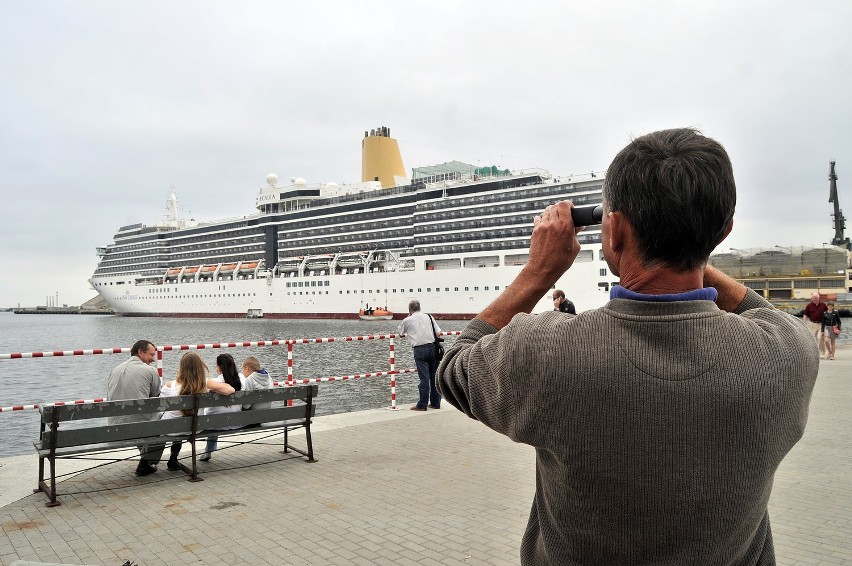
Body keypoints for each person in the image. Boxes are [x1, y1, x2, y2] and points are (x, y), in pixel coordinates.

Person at [436, 128, 819, 564]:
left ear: (612, 231)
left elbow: (454, 367)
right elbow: (764, 314)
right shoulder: (786, 354)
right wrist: (690, 243)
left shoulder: (547, 350)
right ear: (723, 231)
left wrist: (539, 271)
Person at [107, 340, 165, 477]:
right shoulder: (150, 370)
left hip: (114, 426)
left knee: (142, 418)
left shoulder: (115, 369)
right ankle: (145, 463)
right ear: (140, 352)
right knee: (166, 424)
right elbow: (156, 396)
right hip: (137, 426)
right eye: (151, 355)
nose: (153, 359)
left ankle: (146, 460)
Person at [398, 299, 442, 411]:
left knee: (424, 379)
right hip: (433, 348)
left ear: (410, 310)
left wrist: (408, 317)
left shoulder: (407, 320)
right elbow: (439, 332)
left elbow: (400, 333)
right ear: (419, 308)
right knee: (434, 377)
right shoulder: (429, 317)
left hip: (420, 350)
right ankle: (436, 403)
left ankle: (422, 405)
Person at [200, 353, 244, 462]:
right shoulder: (242, 379)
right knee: (217, 415)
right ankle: (208, 451)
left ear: (219, 367)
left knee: (213, 416)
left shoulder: (215, 383)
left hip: (215, 424)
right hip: (236, 422)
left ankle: (208, 452)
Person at [803, 293, 828, 357]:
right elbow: (805, 314)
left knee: (820, 338)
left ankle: (822, 353)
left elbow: (827, 313)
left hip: (821, 324)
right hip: (812, 324)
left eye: (816, 298)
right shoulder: (809, 305)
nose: (815, 299)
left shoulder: (823, 305)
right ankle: (813, 352)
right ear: (811, 299)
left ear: (818, 298)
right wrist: (803, 322)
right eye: (813, 298)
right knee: (812, 338)